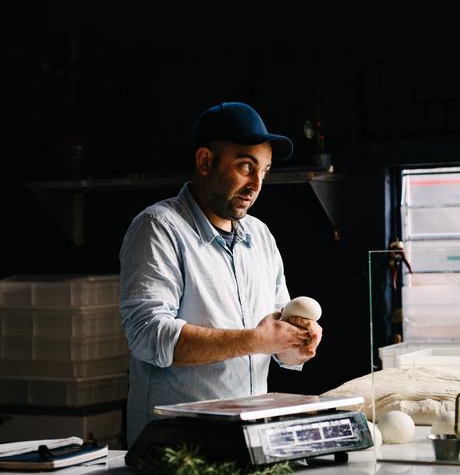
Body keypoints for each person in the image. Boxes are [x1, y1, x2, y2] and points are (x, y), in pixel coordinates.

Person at [119, 101, 323, 446]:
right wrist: (257, 340)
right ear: (205, 161)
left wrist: (296, 345)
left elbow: (277, 340)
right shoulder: (159, 228)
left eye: (265, 171)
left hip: (251, 440)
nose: (256, 184)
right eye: (246, 167)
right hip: (176, 448)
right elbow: (147, 336)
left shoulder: (260, 236)